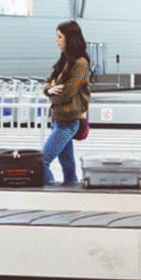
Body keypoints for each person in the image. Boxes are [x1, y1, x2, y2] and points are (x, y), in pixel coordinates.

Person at [41, 20, 92, 186]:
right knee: (68, 168)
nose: (57, 40)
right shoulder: (65, 60)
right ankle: (72, 195)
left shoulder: (80, 64)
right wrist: (50, 89)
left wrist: (52, 92)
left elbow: (67, 93)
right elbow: (48, 82)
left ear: (70, 38)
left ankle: (51, 197)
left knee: (41, 163)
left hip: (68, 121)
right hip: (58, 120)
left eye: (60, 37)